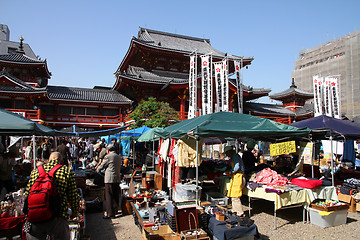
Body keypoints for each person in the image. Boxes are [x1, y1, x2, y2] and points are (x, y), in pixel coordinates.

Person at [24, 152, 80, 240]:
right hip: (57, 216)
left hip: (34, 217)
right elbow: (73, 196)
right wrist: (75, 212)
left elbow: (27, 195)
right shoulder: (66, 171)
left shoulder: (35, 171)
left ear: (48, 160)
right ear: (61, 161)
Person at [96, 144, 122, 219]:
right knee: (115, 195)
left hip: (109, 179)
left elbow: (102, 165)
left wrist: (97, 169)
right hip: (117, 178)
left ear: (107, 150)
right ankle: (115, 210)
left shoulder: (108, 156)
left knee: (109, 196)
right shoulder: (118, 156)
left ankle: (110, 214)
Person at [224, 145, 246, 217]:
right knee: (233, 194)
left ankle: (240, 212)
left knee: (235, 196)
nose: (227, 155)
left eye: (227, 153)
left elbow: (237, 166)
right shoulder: (234, 156)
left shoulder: (235, 156)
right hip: (236, 176)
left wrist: (231, 172)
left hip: (239, 176)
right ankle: (234, 210)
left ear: (229, 151)